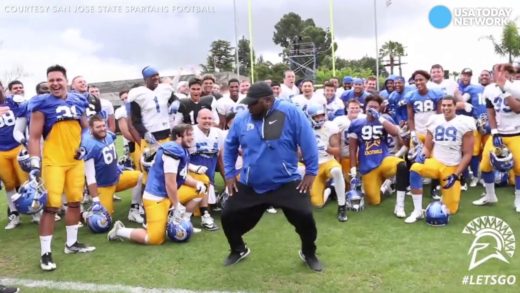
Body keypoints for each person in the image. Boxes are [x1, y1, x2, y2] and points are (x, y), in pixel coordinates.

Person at [222, 82, 322, 272]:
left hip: (285, 181)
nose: (249, 107)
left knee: (306, 217)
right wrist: (229, 173)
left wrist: (310, 171)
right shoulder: (243, 119)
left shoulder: (291, 113)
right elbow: (230, 146)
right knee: (228, 215)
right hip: (251, 183)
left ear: (268, 101)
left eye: (253, 103)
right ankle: (238, 249)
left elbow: (308, 140)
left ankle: (309, 252)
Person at [28, 65, 95, 271]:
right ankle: (45, 253)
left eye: (59, 79)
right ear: (47, 83)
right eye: (51, 80)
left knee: (75, 201)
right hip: (54, 161)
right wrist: (34, 162)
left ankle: (71, 244)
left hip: (75, 160)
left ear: (66, 81)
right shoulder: (41, 104)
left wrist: (85, 146)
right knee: (51, 207)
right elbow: (34, 136)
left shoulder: (78, 100)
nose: (55, 83)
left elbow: (85, 129)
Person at [107, 124, 208, 244]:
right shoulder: (172, 152)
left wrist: (197, 183)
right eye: (189, 135)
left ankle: (181, 221)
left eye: (192, 134)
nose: (192, 138)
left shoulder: (181, 149)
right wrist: (177, 205)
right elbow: (170, 183)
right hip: (157, 197)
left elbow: (181, 176)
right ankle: (120, 230)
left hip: (167, 195)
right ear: (178, 137)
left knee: (202, 187)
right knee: (154, 239)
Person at [405, 96, 475, 223]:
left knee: (451, 209)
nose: (446, 108)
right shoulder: (434, 120)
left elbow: (467, 154)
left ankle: (444, 198)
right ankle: (417, 211)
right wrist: (422, 156)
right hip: (436, 162)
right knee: (415, 168)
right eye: (444, 105)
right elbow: (427, 146)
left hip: (452, 167)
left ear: (455, 106)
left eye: (449, 105)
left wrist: (456, 174)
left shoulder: (465, 122)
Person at [348, 94, 409, 218]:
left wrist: (379, 117)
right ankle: (386, 187)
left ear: (380, 108)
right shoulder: (356, 123)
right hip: (367, 165)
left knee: (401, 166)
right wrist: (354, 171)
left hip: (383, 159)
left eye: (376, 107)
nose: (372, 109)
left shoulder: (384, 120)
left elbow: (394, 132)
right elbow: (352, 149)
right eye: (370, 106)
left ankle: (400, 206)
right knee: (374, 201)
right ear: (365, 107)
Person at [473, 64, 520, 212]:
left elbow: (517, 108)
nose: (499, 76)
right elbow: (490, 111)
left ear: (510, 74)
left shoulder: (517, 86)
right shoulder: (489, 89)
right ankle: (490, 195)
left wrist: (504, 90)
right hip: (498, 134)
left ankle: (518, 200)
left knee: (519, 169)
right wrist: (494, 132)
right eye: (496, 73)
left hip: (516, 134)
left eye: (503, 73)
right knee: (485, 166)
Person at [81, 115, 144, 224]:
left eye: (103, 125)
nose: (102, 129)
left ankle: (134, 210)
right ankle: (84, 213)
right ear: (91, 129)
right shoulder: (89, 146)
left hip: (117, 177)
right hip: (102, 186)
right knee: (103, 222)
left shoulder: (109, 136)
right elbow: (90, 177)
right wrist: (96, 199)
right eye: (98, 127)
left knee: (140, 176)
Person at [0, 85, 28, 229]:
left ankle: (34, 210)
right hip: (0, 151)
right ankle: (14, 214)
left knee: (25, 181)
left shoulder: (13, 101)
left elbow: (25, 117)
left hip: (17, 146)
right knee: (9, 184)